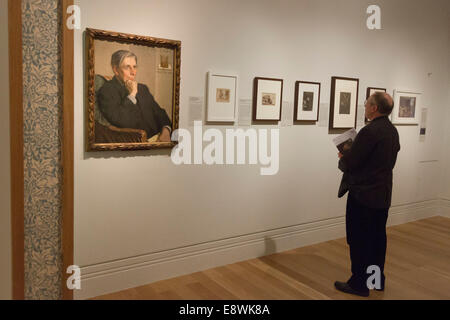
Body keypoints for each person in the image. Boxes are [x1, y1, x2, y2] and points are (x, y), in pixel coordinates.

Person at [335, 92, 400, 297]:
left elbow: (352, 163)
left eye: (367, 104)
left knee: (359, 239)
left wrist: (343, 156)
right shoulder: (392, 131)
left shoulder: (369, 131)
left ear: (374, 108)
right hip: (382, 195)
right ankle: (376, 280)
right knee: (377, 239)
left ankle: (359, 284)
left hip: (363, 195)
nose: (365, 106)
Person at [97, 50, 172, 142]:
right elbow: (120, 120)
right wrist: (132, 95)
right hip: (136, 144)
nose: (133, 72)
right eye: (127, 67)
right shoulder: (107, 91)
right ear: (116, 70)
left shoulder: (142, 88)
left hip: (159, 139)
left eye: (134, 67)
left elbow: (160, 113)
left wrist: (166, 130)